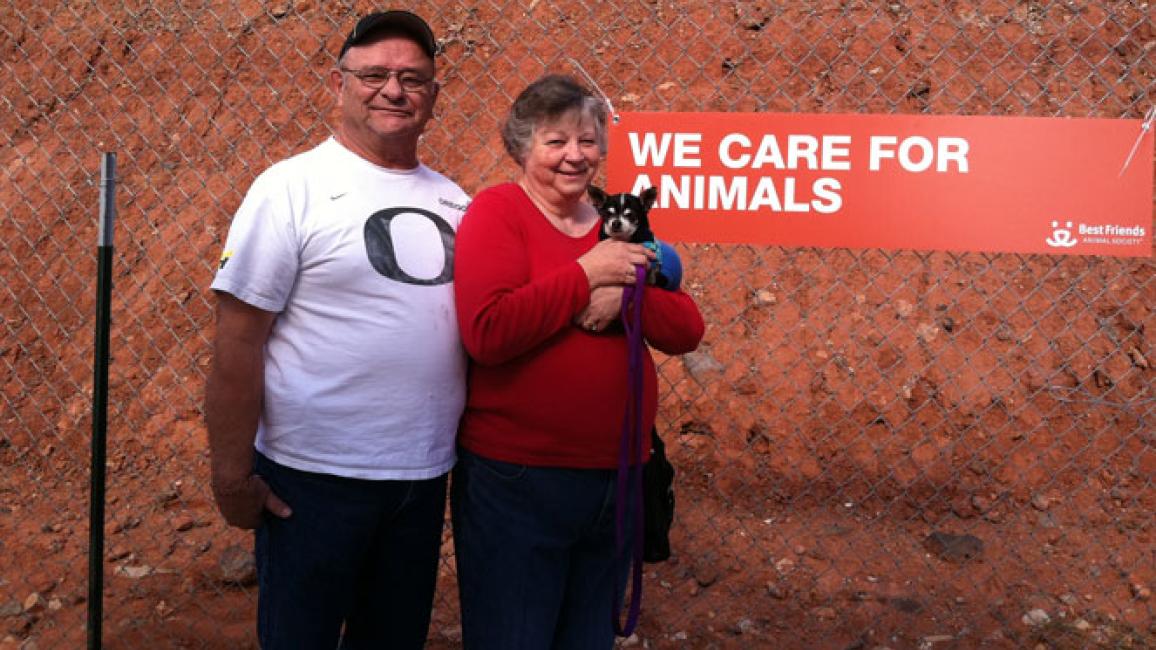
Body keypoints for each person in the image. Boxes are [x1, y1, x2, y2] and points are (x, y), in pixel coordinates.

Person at [203, 10, 468, 649]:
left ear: (433, 94)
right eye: (374, 74)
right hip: (312, 478)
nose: (394, 90)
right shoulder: (291, 188)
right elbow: (238, 339)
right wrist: (231, 476)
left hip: (421, 479)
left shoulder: (457, 201)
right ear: (339, 84)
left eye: (413, 77)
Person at [451, 74, 706, 649]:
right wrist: (586, 276)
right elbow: (488, 332)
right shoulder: (500, 213)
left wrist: (626, 298)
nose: (575, 155)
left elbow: (687, 328)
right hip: (521, 476)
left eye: (587, 141)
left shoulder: (615, 225)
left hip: (615, 475)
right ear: (523, 147)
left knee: (588, 636)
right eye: (556, 141)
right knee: (513, 634)